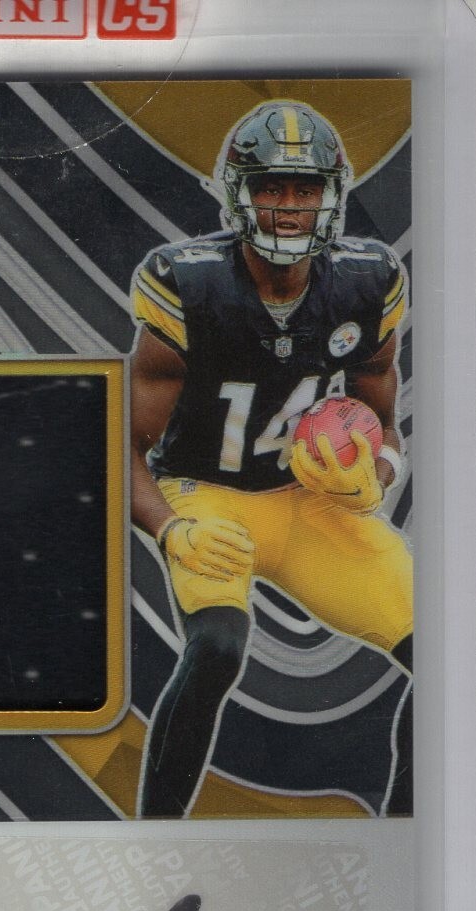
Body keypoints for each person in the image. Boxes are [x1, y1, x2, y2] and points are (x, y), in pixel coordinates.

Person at [130, 101, 412, 817]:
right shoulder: (189, 283)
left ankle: (405, 836)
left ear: (331, 195)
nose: (288, 207)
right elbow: (119, 444)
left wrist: (375, 476)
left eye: (305, 188)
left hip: (306, 502)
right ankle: (154, 840)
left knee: (451, 655)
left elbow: (384, 419)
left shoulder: (366, 281)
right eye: (271, 187)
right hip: (205, 491)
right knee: (218, 648)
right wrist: (169, 527)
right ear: (239, 194)